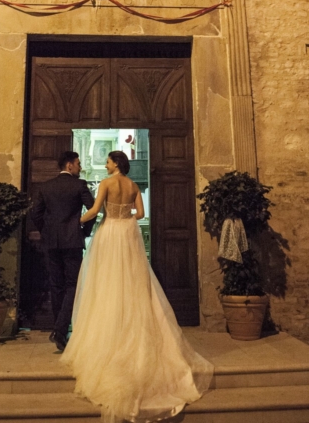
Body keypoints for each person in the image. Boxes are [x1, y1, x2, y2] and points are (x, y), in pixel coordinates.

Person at [61, 150, 213, 422]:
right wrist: (125, 210)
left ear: (116, 163)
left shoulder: (107, 184)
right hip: (127, 231)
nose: (106, 165)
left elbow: (95, 211)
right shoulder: (132, 185)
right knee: (131, 278)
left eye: (108, 161)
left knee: (107, 279)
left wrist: (74, 223)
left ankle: (110, 325)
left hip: (110, 232)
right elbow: (140, 213)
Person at [30, 151, 96, 352]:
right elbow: (92, 210)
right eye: (78, 163)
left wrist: (46, 232)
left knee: (57, 285)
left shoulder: (46, 187)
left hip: (51, 242)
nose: (80, 167)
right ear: (69, 165)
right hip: (72, 241)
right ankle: (60, 330)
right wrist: (83, 231)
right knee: (72, 285)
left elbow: (35, 214)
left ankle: (60, 330)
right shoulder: (79, 185)